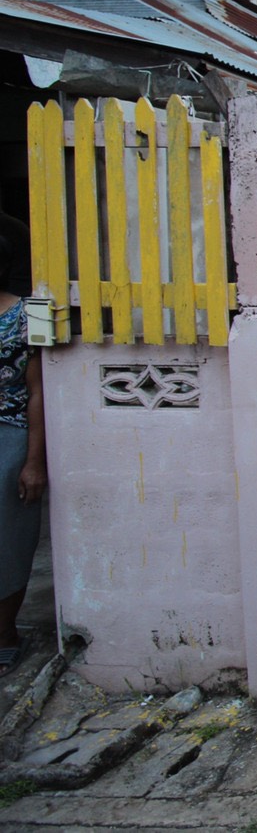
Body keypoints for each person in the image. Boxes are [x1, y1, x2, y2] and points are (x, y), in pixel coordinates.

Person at [0, 236, 46, 681]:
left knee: (9, 535)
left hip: (9, 431)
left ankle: (5, 632)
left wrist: (34, 460)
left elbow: (35, 392)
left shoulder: (22, 315)